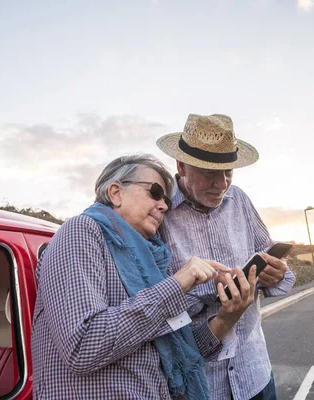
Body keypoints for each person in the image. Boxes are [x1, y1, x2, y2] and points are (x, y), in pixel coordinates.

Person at [31, 154, 257, 400]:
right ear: (116, 192)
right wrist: (177, 284)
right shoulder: (80, 232)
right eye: (155, 192)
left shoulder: (152, 261)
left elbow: (183, 351)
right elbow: (83, 346)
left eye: (167, 201)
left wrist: (227, 317)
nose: (164, 206)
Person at [157, 114, 296, 400]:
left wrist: (277, 273)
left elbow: (279, 269)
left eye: (228, 172)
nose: (222, 184)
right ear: (181, 166)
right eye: (209, 173)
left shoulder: (241, 200)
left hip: (255, 373)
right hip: (203, 386)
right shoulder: (158, 213)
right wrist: (214, 294)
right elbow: (155, 304)